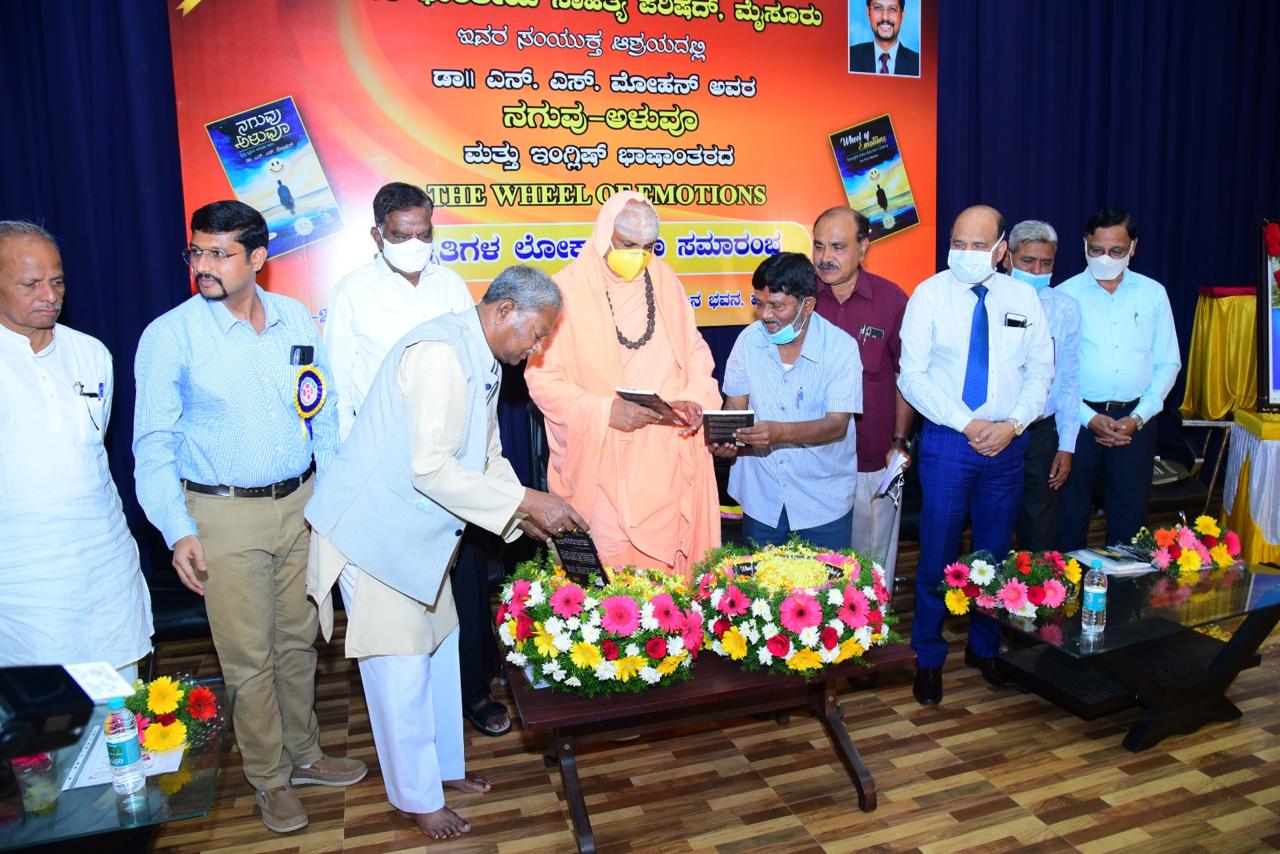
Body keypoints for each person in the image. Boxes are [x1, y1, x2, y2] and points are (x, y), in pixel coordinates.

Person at [305, 266, 584, 841]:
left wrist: (524, 517)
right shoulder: (440, 353)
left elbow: (486, 458)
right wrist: (529, 500)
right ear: (504, 310)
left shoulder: (485, 356)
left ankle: (441, 771)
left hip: (422, 538)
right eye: (537, 334)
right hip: (373, 534)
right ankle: (417, 799)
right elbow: (431, 469)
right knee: (401, 669)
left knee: (438, 653)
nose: (537, 349)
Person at [134, 200, 365, 834]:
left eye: (220, 253)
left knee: (299, 642)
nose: (203, 265)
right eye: (197, 252)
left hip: (301, 505)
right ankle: (270, 779)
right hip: (222, 514)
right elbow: (152, 444)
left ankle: (306, 755)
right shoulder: (170, 335)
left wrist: (330, 498)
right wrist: (177, 529)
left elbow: (323, 411)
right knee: (248, 657)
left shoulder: (294, 317)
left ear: (258, 258)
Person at [324, 182, 506, 738]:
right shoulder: (352, 293)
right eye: (402, 236)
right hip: (388, 475)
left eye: (424, 234)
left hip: (451, 466)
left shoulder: (450, 285)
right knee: (402, 609)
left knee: (461, 590)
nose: (415, 245)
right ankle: (413, 721)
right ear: (377, 234)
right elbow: (338, 393)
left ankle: (472, 693)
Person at [898, 205, 1054, 706]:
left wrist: (1012, 425)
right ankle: (927, 656)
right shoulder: (928, 295)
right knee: (937, 555)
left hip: (1008, 445)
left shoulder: (1022, 297)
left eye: (978, 245)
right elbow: (912, 376)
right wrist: (967, 424)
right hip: (949, 441)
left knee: (993, 555)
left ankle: (984, 649)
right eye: (958, 243)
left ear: (1001, 249)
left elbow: (1041, 371)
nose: (965, 253)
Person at [525, 192, 721, 578]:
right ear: (604, 235)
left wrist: (694, 397)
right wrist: (606, 411)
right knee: (616, 587)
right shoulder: (565, 291)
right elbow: (542, 378)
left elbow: (695, 351)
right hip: (602, 460)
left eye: (648, 247)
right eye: (628, 245)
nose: (639, 256)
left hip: (667, 459)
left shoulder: (665, 281)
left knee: (670, 589)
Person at [0, 221, 153, 677]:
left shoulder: (91, 353)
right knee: (38, 716)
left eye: (58, 281)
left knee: (120, 709)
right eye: (30, 284)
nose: (49, 295)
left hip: (104, 571)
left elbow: (90, 453)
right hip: (20, 583)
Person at [712, 253, 862, 550]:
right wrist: (726, 438)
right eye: (759, 303)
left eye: (777, 305)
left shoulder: (840, 348)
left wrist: (780, 433)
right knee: (758, 581)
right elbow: (735, 406)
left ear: (807, 305)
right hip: (761, 497)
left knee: (825, 581)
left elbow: (836, 424)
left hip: (822, 500)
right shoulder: (748, 341)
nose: (765, 315)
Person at [1056, 209, 1181, 550]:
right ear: (1084, 244)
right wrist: (1088, 417)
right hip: (1076, 421)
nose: (1105, 259)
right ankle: (1069, 584)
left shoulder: (1153, 294)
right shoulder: (1064, 295)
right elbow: (1054, 371)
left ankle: (1126, 584)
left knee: (1130, 522)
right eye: (1097, 250)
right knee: (1068, 519)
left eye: (1116, 251)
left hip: (1135, 421)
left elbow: (1168, 362)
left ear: (1133, 248)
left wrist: (1139, 417)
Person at [812, 206, 913, 594]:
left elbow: (905, 378)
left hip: (871, 459)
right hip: (812, 460)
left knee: (869, 566)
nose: (825, 257)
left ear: (863, 247)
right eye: (819, 246)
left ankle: (871, 627)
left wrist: (899, 442)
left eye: (837, 247)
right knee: (819, 569)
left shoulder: (891, 300)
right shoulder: (801, 298)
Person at [1003, 221, 1082, 552]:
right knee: (993, 524)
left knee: (1039, 529)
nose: (1036, 270)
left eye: (1045, 263)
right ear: (1007, 257)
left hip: (1041, 432)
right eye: (1028, 261)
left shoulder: (1065, 308)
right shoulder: (986, 299)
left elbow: (1069, 380)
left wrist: (1067, 444)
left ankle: (1035, 584)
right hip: (996, 430)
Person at [849, 0, 920, 76]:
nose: (885, 17)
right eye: (878, 8)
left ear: (902, 15)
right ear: (868, 13)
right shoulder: (850, 57)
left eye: (892, 9)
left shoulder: (918, 64)